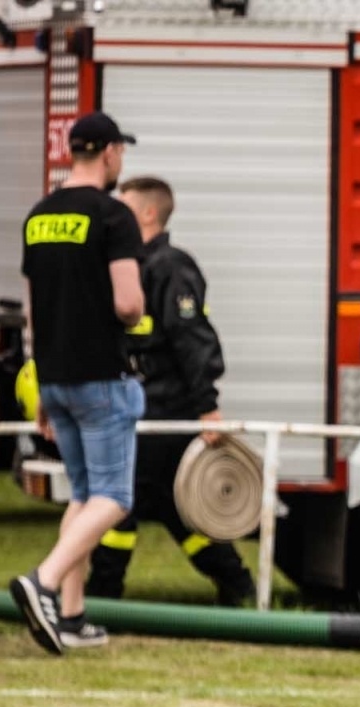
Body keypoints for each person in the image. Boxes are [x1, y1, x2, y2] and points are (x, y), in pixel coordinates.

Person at [9, 111, 145, 654]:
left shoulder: (39, 215)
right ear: (110, 153)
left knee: (85, 494)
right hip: (103, 376)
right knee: (114, 497)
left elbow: (32, 310)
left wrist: (40, 381)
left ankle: (71, 616)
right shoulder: (115, 216)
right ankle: (41, 584)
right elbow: (129, 303)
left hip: (56, 377)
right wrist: (133, 319)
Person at [84, 176, 255, 605]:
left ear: (147, 214)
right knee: (172, 507)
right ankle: (236, 584)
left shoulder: (171, 268)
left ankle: (103, 593)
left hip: (166, 411)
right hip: (137, 408)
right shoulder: (131, 266)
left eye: (124, 209)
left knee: (120, 499)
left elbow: (192, 340)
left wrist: (207, 408)